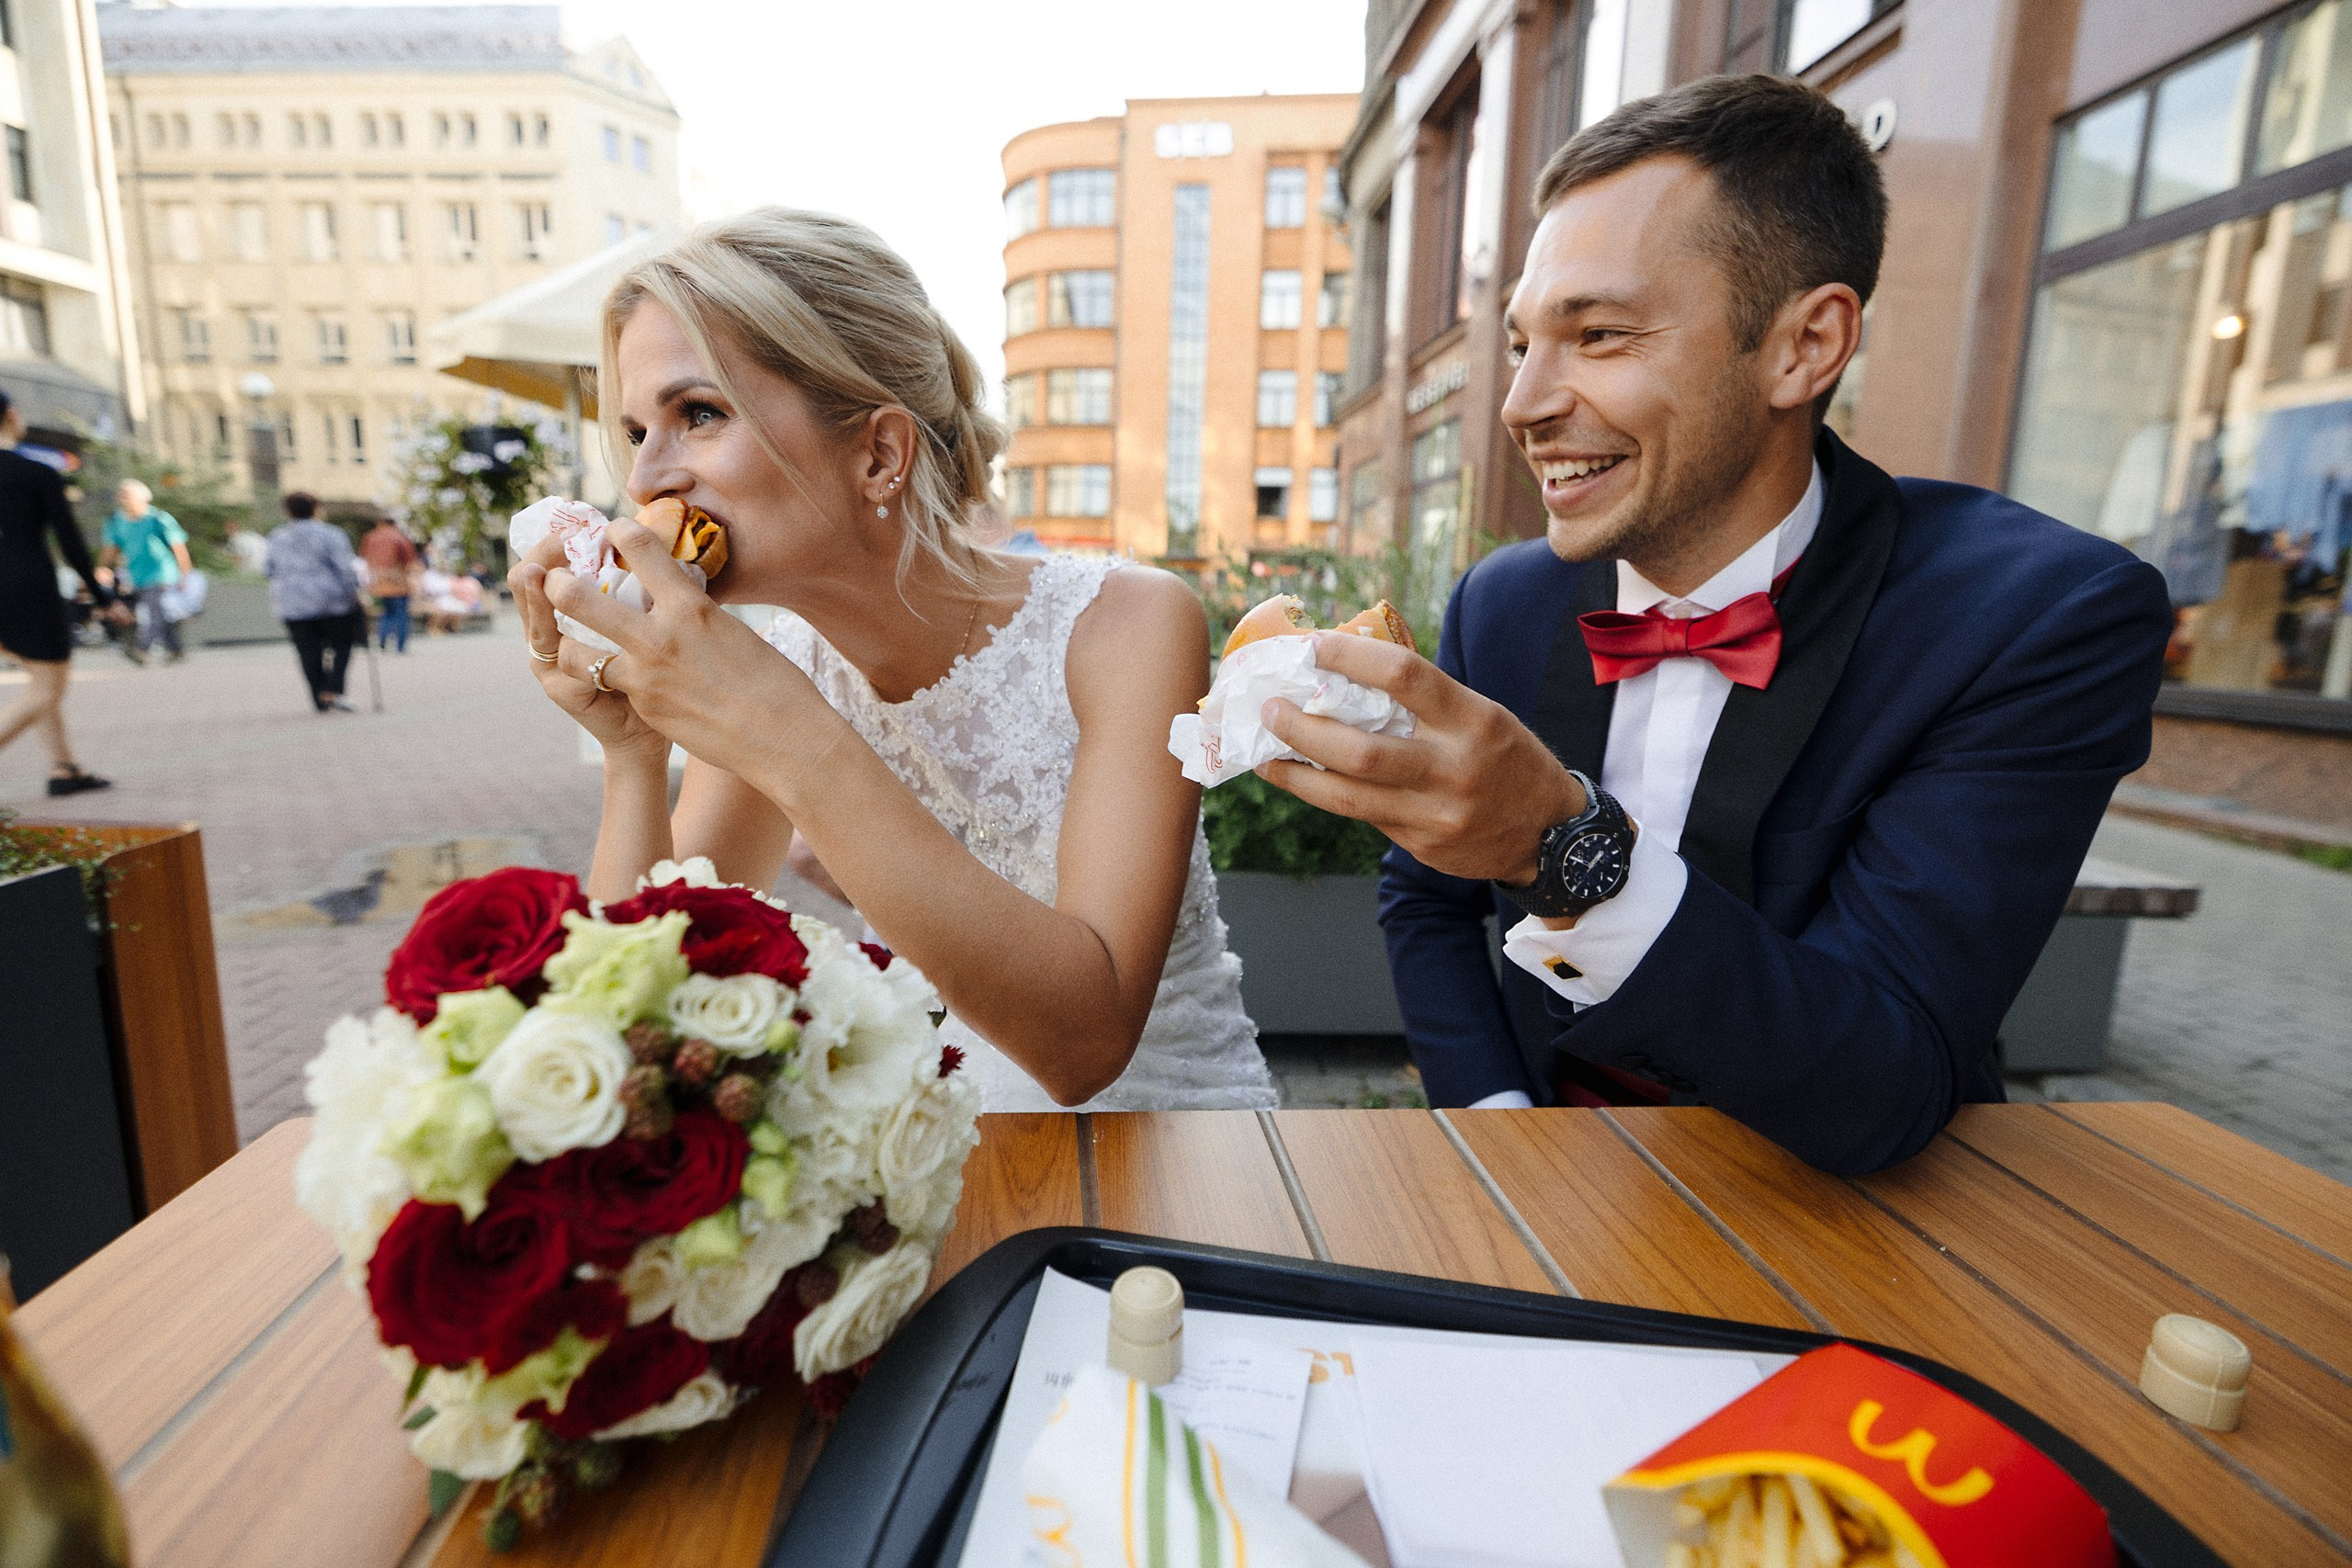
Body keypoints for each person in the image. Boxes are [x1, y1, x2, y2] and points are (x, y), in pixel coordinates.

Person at [1257, 76, 2172, 1175]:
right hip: (1544, 1146)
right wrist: (1498, 1126)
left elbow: (1881, 1087)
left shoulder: (2035, 618)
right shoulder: (1502, 601)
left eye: (1598, 334)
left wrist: (1560, 850)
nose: (1522, 404)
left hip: (1842, 1193)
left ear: (1804, 346)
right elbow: (1425, 903)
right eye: (1521, 344)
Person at [511, 208, 1273, 1111]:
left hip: (1183, 1149)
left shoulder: (1129, 623)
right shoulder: (769, 661)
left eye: (700, 414)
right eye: (638, 433)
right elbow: (642, 1012)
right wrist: (633, 751)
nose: (644, 480)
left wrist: (786, 735)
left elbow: (1085, 1045)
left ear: (878, 452)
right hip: (939, 1147)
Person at [0, 393, 112, 795]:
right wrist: (102, 597)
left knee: (39, 683)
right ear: (12, 415)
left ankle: (64, 768)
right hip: (27, 587)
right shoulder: (37, 473)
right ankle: (64, 768)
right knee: (48, 689)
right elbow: (70, 541)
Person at [266, 491, 366, 713]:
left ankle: (319, 696)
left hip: (293, 604)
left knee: (307, 651)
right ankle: (332, 687)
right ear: (316, 509)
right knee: (343, 644)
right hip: (332, 602)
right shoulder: (332, 534)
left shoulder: (277, 537)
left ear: (288, 511)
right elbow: (345, 568)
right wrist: (354, 592)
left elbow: (269, 569)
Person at [99, 479, 191, 665]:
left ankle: (142, 649)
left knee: (154, 612)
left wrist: (186, 575)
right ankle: (175, 649)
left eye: (127, 496)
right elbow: (110, 548)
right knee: (157, 613)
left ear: (143, 498)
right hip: (136, 576)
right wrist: (102, 568)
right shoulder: (116, 521)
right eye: (121, 496)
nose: (123, 500)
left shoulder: (159, 519)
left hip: (161, 574)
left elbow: (179, 548)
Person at [358, 514, 420, 652]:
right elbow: (410, 560)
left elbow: (365, 559)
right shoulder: (400, 537)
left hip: (380, 583)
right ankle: (400, 645)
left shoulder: (371, 537)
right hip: (398, 583)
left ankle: (382, 639)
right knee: (401, 614)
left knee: (387, 612)